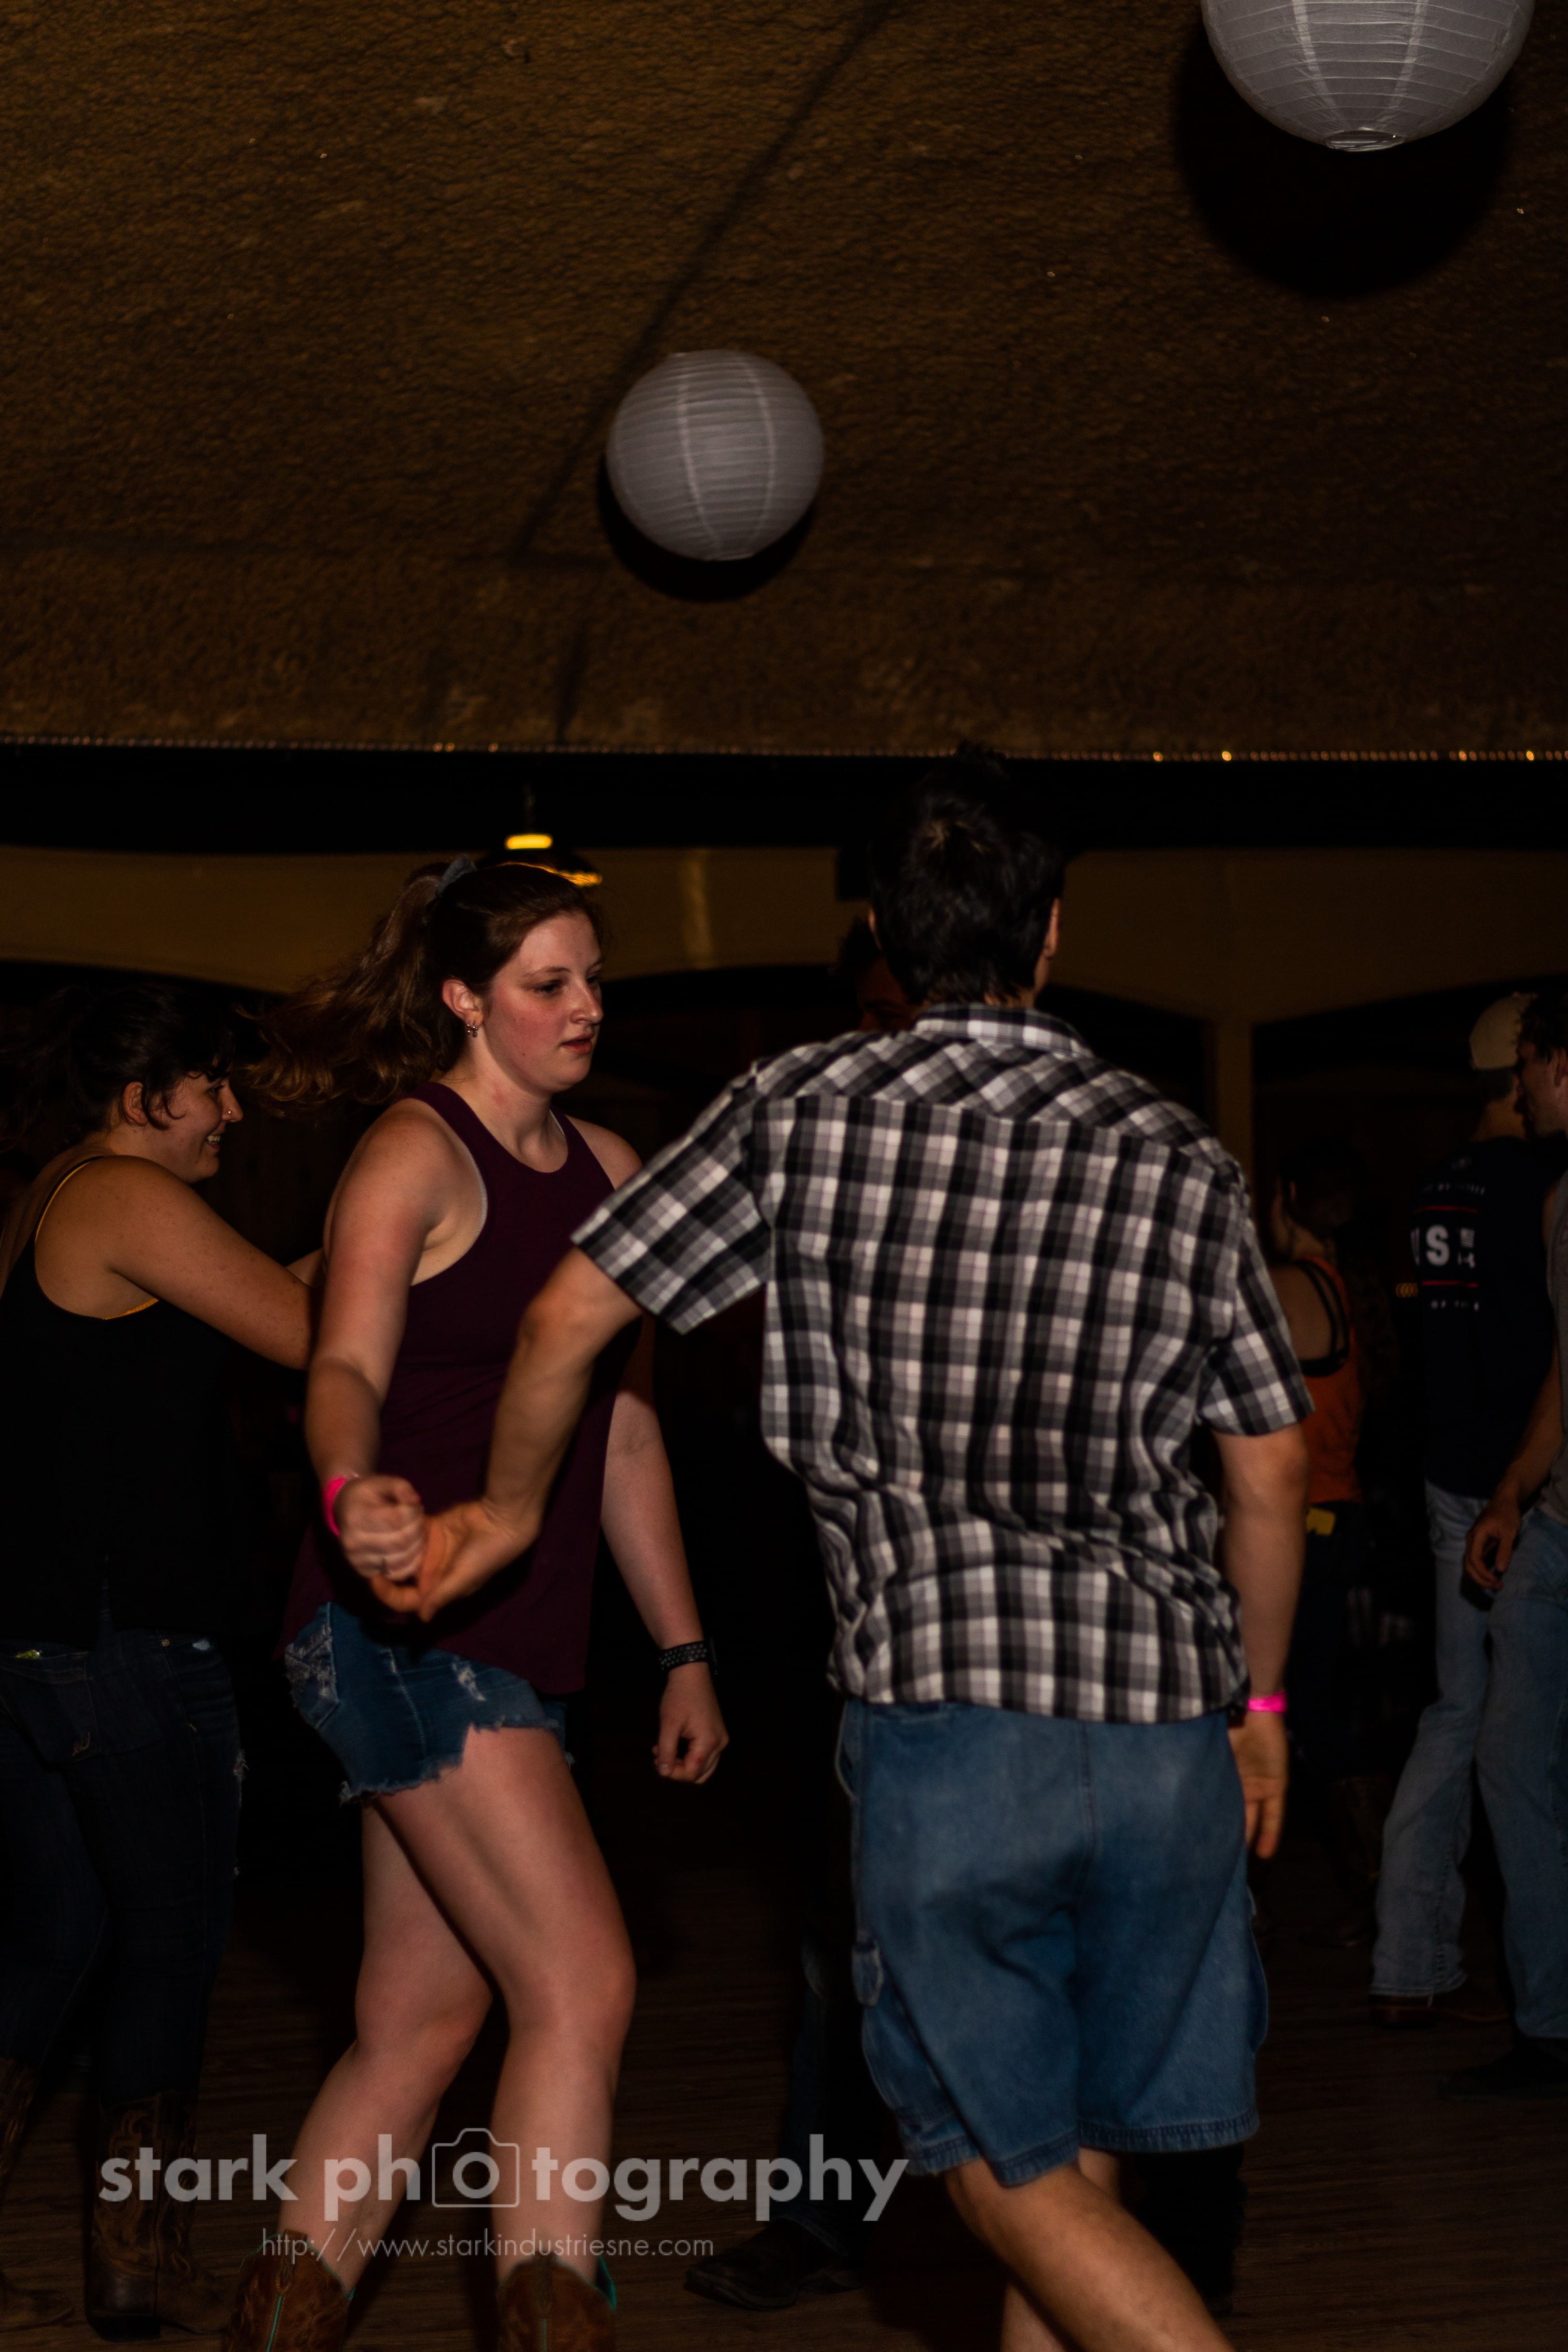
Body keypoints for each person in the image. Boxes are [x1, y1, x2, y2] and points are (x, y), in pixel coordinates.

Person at [368, 764, 1311, 2352]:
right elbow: (1269, 1463)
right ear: (1052, 931)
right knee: (1079, 2150)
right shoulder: (1176, 1149)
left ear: (883, 927)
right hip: (1164, 1727)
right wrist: (1263, 1708)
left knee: (1001, 2170)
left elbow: (571, 1314)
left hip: (957, 1711)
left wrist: (511, 1510)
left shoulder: (803, 1107)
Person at [219, 853, 726, 2352]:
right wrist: (348, 1488)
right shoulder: (413, 1153)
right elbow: (339, 1362)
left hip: (522, 1639)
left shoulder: (614, 1169)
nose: (584, 1008)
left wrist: (684, 1645)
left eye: (592, 980)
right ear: (461, 996)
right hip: (403, 1623)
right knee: (581, 1978)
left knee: (420, 2024)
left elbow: (625, 1431)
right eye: (545, 984)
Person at [0, 982, 318, 2336]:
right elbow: (309, 1335)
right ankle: (138, 2262)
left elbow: (256, 1296)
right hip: (127, 1642)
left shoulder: (58, 1194)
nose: (231, 1113)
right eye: (212, 1088)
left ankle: (128, 2254)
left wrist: (372, 1242)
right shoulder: (129, 1194)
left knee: (62, 1932)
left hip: (43, 1639)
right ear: (145, 1098)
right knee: (171, 1937)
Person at [685, 920, 917, 2316]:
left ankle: (1037, 2212)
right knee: (837, 1941)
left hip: (1004, 1640)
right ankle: (825, 2216)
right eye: (878, 1014)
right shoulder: (809, 1153)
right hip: (831, 1621)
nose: (899, 1038)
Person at [1371, 995, 1552, 2028]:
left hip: (1448, 1473)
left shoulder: (1434, 1187)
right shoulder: (1536, 1185)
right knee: (1522, 1733)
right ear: (1524, 1072)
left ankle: (1407, 1958)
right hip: (1519, 1487)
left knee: (1452, 1713)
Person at [1444, 983, 1568, 2099]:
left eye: (1524, 1065)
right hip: (1553, 1528)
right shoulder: (1557, 1201)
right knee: (1505, 1754)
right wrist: (1510, 1491)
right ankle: (1547, 2025)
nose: (1514, 1089)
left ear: (1559, 1064)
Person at [1266, 1137, 1398, 1943]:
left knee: (1288, 1707)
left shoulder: (1288, 1286)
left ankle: (1387, 1891)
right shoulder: (1348, 1286)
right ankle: (1385, 1893)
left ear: (1285, 1197)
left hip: (1303, 1528)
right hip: (1336, 1519)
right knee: (1307, 1706)